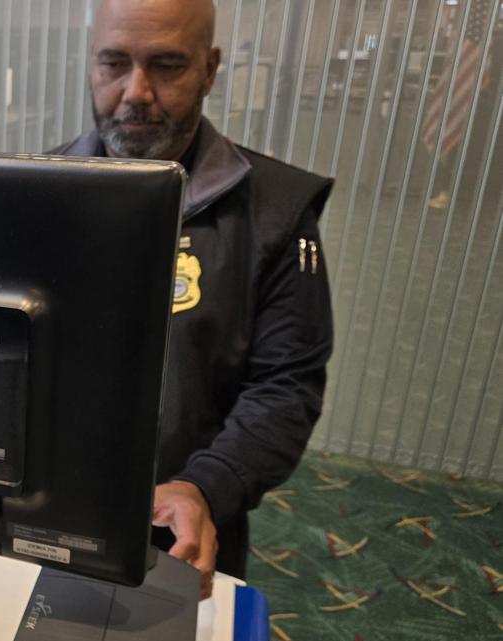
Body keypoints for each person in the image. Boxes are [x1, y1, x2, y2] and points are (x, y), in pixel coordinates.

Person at [52, 0, 334, 598]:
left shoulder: (277, 213)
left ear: (210, 69)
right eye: (114, 63)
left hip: (187, 523)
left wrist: (206, 486)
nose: (137, 92)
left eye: (167, 66)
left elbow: (286, 386)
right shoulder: (33, 195)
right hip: (36, 516)